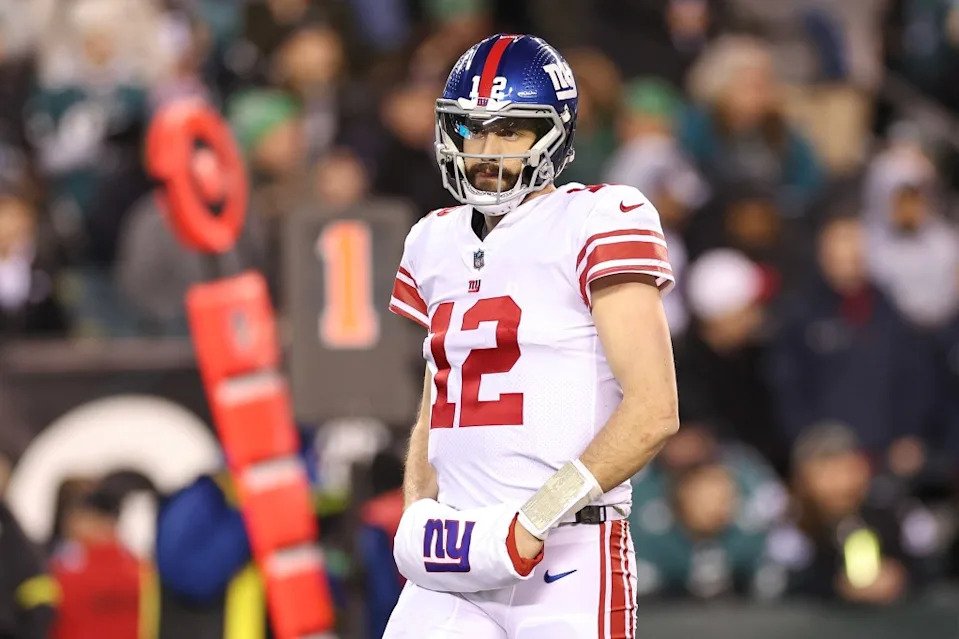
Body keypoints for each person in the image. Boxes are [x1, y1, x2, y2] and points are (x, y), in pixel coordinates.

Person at [383, 34, 679, 638]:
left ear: (555, 135)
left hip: (568, 552)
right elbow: (439, 398)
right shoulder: (432, 239)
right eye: (472, 129)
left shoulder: (596, 218)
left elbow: (654, 411)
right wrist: (419, 507)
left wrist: (533, 520)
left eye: (511, 130)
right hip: (458, 554)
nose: (486, 150)